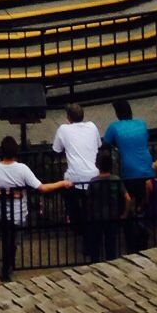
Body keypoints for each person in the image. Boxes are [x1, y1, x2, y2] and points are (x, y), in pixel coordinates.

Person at [0, 134, 72, 283]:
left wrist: (5, 194)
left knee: (5, 237)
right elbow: (42, 187)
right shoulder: (22, 169)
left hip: (0, 211)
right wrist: (62, 183)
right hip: (17, 213)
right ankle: (8, 265)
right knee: (13, 241)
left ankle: (4, 262)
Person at [52, 102, 101, 241]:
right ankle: (86, 231)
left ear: (68, 117)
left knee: (68, 193)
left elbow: (56, 149)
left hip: (74, 177)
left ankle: (76, 223)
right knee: (90, 207)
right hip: (93, 175)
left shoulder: (63, 129)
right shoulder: (92, 126)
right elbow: (98, 144)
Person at [102, 97, 154, 216]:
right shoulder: (142, 123)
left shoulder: (114, 127)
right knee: (145, 203)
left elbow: (105, 144)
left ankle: (129, 226)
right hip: (148, 169)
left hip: (129, 171)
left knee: (125, 201)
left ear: (117, 113)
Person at [80, 149, 130, 263]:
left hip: (96, 217)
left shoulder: (93, 181)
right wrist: (124, 214)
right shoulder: (116, 180)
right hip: (112, 216)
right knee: (111, 245)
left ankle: (95, 265)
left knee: (95, 246)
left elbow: (88, 200)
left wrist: (88, 215)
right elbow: (127, 198)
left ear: (98, 165)